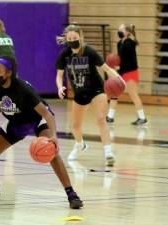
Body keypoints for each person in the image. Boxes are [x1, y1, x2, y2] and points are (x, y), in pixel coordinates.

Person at [0, 57, 83, 209]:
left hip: (37, 119)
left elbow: (47, 114)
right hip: (16, 122)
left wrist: (53, 137)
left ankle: (71, 194)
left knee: (52, 152)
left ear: (9, 73)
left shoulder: (23, 89)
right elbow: (0, 106)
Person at [55, 24, 124, 166]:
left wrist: (120, 79)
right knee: (75, 126)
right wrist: (60, 86)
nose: (73, 40)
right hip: (80, 92)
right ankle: (80, 145)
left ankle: (108, 152)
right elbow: (59, 75)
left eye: (75, 37)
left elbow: (106, 69)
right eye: (70, 38)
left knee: (100, 119)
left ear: (80, 37)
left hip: (96, 89)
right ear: (67, 39)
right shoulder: (64, 55)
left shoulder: (89, 51)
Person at [106, 24, 147, 125]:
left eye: (121, 29)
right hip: (122, 72)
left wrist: (119, 67)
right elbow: (120, 59)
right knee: (114, 92)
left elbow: (130, 61)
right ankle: (110, 117)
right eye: (118, 29)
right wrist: (116, 66)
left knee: (133, 95)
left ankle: (142, 118)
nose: (118, 30)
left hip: (130, 72)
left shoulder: (130, 43)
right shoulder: (120, 43)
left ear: (127, 32)